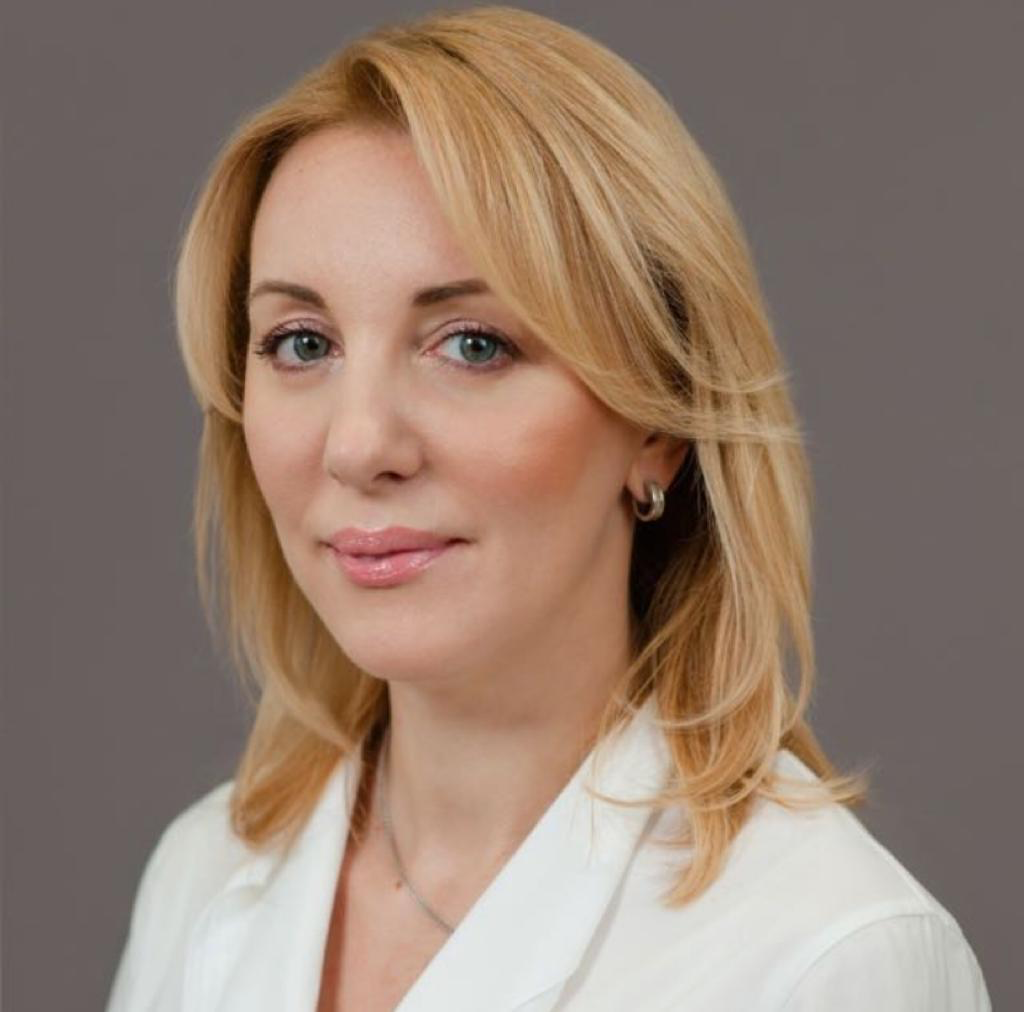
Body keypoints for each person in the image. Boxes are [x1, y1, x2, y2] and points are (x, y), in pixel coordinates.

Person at [106, 6, 991, 1011]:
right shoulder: (203, 873)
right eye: (302, 343)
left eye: (472, 344)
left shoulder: (829, 960)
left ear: (656, 421)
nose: (357, 445)